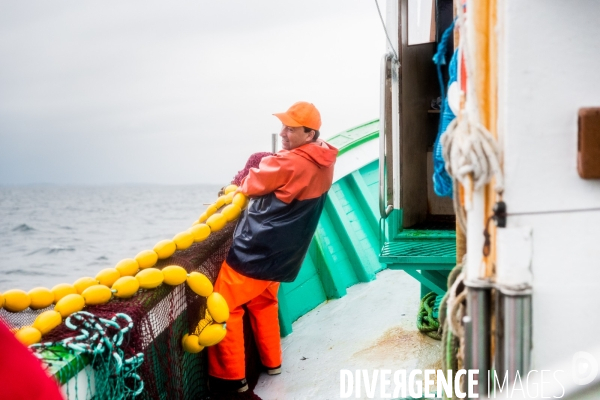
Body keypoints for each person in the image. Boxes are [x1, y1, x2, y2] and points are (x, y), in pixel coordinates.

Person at [207, 101, 338, 393]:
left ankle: (231, 380)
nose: (283, 133)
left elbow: (251, 184)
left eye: (291, 129)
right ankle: (272, 362)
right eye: (283, 126)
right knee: (263, 302)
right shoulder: (325, 157)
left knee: (224, 307)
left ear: (309, 133)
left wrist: (264, 163)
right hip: (285, 256)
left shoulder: (289, 161)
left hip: (256, 251)